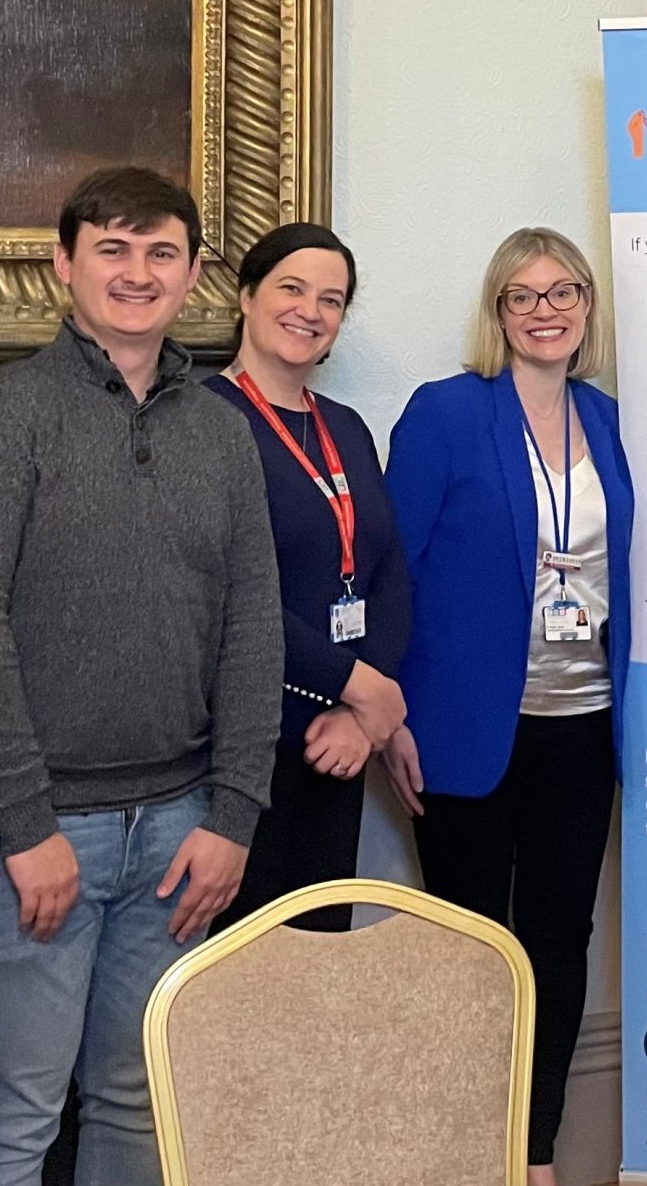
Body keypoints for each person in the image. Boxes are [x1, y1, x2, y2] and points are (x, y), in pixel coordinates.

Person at [0, 166, 282, 1185]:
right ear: (63, 263)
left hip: (178, 828)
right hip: (29, 842)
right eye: (111, 249)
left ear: (194, 272)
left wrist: (234, 813)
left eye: (161, 251)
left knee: (134, 1103)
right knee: (11, 1121)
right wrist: (26, 825)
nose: (137, 271)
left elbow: (253, 625)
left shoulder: (219, 428)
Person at [384, 227, 634, 1186]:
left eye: (563, 291)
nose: (545, 309)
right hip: (463, 729)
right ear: (498, 312)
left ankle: (531, 1153)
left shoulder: (607, 420)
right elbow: (391, 567)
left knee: (558, 944)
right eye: (522, 295)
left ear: (585, 308)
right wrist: (390, 714)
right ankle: (465, 1150)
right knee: (469, 946)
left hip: (583, 723)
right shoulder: (447, 413)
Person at [203, 223, 412, 934]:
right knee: (239, 978)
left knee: (317, 975)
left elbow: (385, 571)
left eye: (332, 299)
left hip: (337, 747)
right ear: (247, 295)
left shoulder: (347, 426)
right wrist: (363, 688)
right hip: (242, 747)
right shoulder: (202, 420)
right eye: (292, 288)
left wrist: (360, 711)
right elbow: (230, 594)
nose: (310, 311)